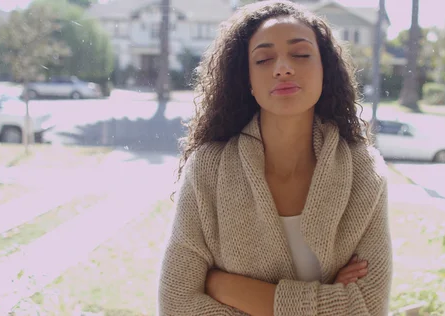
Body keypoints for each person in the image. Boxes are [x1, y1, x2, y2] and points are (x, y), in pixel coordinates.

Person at [158, 1, 392, 315]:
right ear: (248, 81)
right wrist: (327, 299)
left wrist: (223, 286)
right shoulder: (207, 169)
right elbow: (177, 304)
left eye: (301, 54)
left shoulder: (364, 172)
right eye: (264, 59)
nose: (283, 67)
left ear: (326, 71)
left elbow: (368, 307)